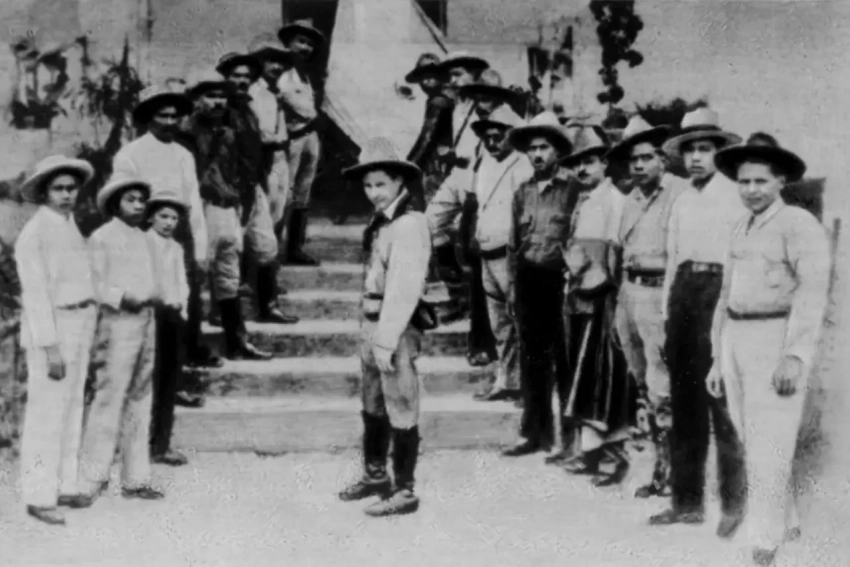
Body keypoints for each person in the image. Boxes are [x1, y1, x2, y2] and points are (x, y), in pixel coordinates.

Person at [710, 137, 829, 566]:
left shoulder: (797, 223)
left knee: (769, 443)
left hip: (774, 336)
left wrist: (794, 355)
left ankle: (764, 542)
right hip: (736, 337)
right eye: (744, 181)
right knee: (752, 436)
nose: (751, 189)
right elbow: (726, 294)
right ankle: (787, 519)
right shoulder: (740, 226)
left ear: (780, 181)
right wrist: (716, 357)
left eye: (761, 181)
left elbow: (812, 292)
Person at [649, 108, 747, 533]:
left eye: (704, 150)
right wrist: (665, 315)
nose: (695, 158)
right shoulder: (682, 199)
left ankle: (734, 505)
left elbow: (738, 260)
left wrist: (726, 319)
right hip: (684, 296)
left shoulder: (735, 196)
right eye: (689, 150)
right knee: (684, 401)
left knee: (721, 401)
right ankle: (686, 503)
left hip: (719, 293)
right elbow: (673, 260)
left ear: (719, 153)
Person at [337, 138, 433, 517]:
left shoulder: (409, 223)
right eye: (367, 185)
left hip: (395, 326)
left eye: (381, 184)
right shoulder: (382, 222)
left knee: (401, 402)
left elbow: (404, 287)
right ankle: (376, 475)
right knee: (373, 402)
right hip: (373, 321)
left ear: (398, 182)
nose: (374, 192)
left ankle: (405, 489)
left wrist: (387, 339)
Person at [606, 115, 687, 497]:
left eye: (646, 158)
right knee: (641, 381)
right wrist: (619, 308)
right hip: (630, 293)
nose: (638, 166)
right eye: (632, 160)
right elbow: (621, 253)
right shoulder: (629, 199)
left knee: (662, 385)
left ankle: (670, 472)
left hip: (660, 294)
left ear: (663, 159)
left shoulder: (680, 194)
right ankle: (660, 462)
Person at [427, 105, 531, 402]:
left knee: (521, 321)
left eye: (499, 136)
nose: (493, 143)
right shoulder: (483, 163)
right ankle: (506, 381)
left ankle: (529, 388)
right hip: (487, 254)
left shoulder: (523, 166)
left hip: (511, 255)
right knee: (500, 325)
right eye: (488, 138)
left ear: (512, 135)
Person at [14, 155, 97, 525]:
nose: (66, 195)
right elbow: (36, 295)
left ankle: (64, 483)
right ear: (44, 192)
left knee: (72, 406)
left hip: (78, 322)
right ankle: (38, 494)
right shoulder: (35, 233)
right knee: (46, 413)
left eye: (71, 188)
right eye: (58, 189)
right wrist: (50, 348)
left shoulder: (68, 225)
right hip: (52, 328)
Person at [113, 85, 220, 371]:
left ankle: (191, 349)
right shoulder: (130, 154)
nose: (170, 122)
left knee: (187, 289)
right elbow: (125, 200)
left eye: (175, 116)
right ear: (149, 118)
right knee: (157, 292)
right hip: (145, 228)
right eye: (163, 116)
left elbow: (193, 200)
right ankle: (161, 361)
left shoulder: (183, 154)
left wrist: (200, 246)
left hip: (179, 228)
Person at [72, 176, 164, 508]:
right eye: (130, 200)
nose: (138, 206)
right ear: (115, 204)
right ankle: (90, 479)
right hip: (117, 322)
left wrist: (156, 295)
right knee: (109, 396)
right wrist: (122, 296)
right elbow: (92, 282)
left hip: (146, 321)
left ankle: (135, 478)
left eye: (141, 200)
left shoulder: (148, 239)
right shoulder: (102, 237)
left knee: (141, 395)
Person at [558, 126, 631, 485]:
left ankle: (614, 457)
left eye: (589, 161)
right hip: (580, 296)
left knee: (604, 376)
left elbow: (615, 256)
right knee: (584, 375)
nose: (582, 169)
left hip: (603, 297)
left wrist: (595, 282)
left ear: (604, 163)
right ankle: (589, 453)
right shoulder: (584, 200)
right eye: (577, 163)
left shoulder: (614, 201)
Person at [502, 111, 577, 458]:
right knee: (532, 359)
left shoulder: (572, 189)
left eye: (544, 147)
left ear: (557, 151)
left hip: (560, 281)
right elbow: (513, 243)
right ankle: (535, 434)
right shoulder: (523, 192)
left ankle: (569, 440)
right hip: (528, 279)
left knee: (564, 358)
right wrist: (512, 287)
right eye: (532, 149)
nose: (537, 154)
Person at [184, 71, 272, 360]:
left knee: (229, 272)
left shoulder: (230, 131)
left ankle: (237, 341)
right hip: (197, 207)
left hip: (225, 207)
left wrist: (239, 198)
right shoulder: (186, 133)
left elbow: (239, 169)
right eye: (210, 96)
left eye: (222, 96)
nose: (218, 102)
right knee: (195, 274)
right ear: (197, 100)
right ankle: (191, 347)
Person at [216, 52, 297, 323]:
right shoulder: (218, 111)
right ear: (225, 78)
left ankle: (268, 307)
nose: (242, 81)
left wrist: (258, 181)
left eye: (246, 77)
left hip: (252, 188)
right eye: (235, 76)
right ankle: (219, 311)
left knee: (266, 247)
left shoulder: (248, 109)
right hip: (225, 192)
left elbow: (257, 150)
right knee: (226, 250)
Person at [146, 190, 191, 467]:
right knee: (145, 381)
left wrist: (181, 310)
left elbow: (181, 283)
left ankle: (161, 445)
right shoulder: (143, 244)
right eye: (163, 216)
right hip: (149, 315)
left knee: (168, 382)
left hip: (171, 318)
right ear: (151, 217)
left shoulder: (175, 248)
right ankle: (137, 443)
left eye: (174, 218)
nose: (169, 223)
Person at [277, 19, 325, 266]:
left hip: (309, 138)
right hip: (291, 138)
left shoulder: (307, 74)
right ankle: (272, 250)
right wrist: (316, 117)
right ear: (289, 43)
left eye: (309, 44)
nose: (305, 48)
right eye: (300, 42)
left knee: (302, 193)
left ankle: (294, 249)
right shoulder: (281, 72)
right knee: (283, 193)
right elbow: (292, 103)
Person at [247, 34, 292, 245]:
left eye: (281, 62)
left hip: (281, 154)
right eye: (271, 61)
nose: (277, 67)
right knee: (265, 207)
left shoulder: (276, 91)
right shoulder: (254, 92)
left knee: (280, 204)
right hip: (265, 155)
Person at [405, 53, 454, 205]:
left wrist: (409, 167)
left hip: (437, 166)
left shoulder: (438, 101)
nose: (425, 82)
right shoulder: (446, 98)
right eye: (422, 77)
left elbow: (427, 138)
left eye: (431, 76)